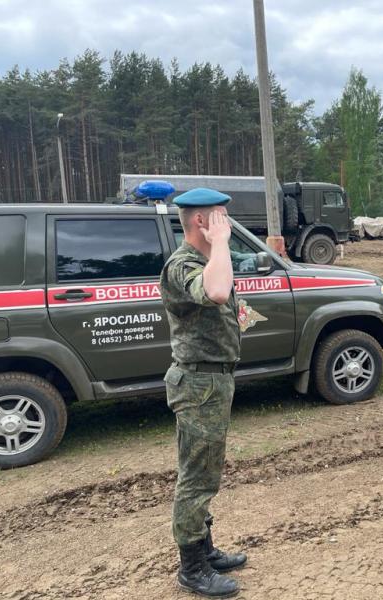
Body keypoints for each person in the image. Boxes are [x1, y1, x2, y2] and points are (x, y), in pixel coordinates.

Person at [159, 187, 246, 598]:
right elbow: (214, 292)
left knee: (207, 471)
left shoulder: (208, 260)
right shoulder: (182, 265)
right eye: (220, 218)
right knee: (196, 478)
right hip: (198, 384)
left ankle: (205, 550)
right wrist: (223, 244)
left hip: (212, 380)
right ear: (201, 222)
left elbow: (227, 300)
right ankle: (191, 567)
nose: (226, 225)